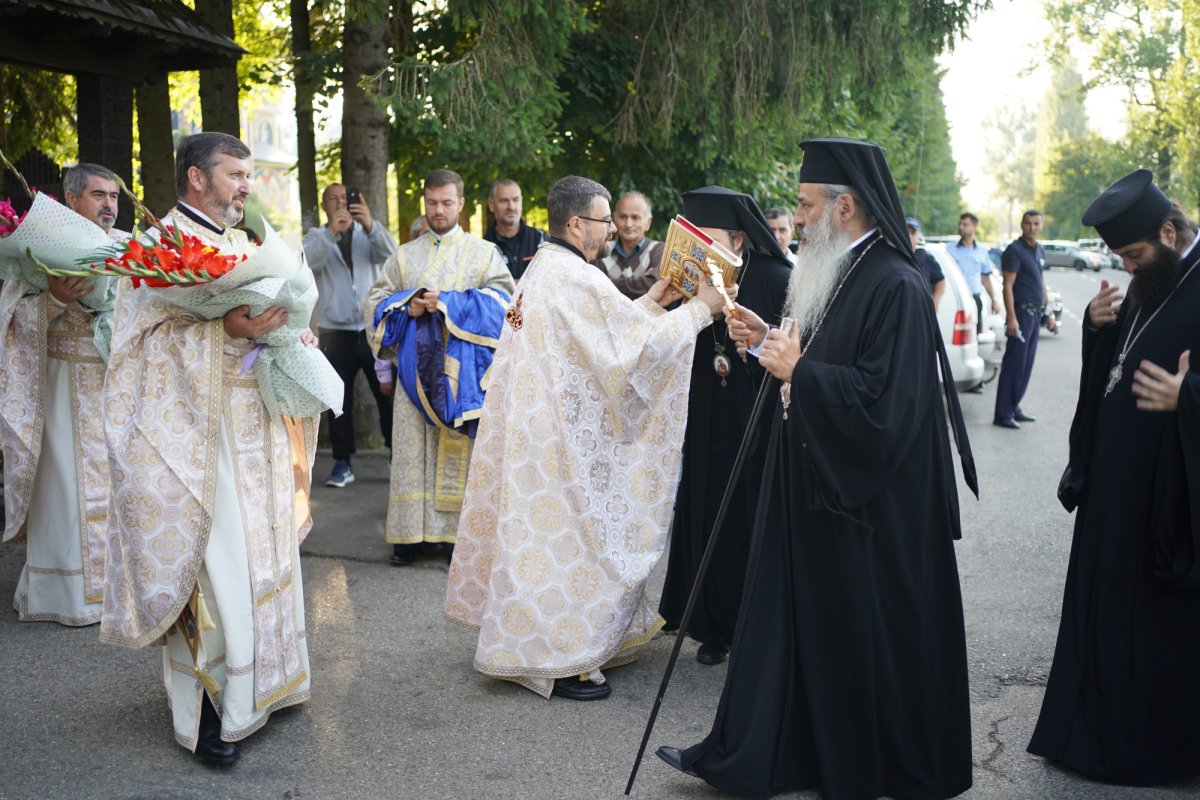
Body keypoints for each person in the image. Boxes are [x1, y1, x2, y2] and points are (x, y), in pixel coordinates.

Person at [657, 137, 977, 800]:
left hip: (869, 511)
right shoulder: (840, 269)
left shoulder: (895, 283)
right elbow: (816, 359)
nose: (795, 219)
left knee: (858, 639)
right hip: (823, 492)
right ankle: (778, 752)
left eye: (805, 206)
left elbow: (888, 404)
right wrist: (762, 341)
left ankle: (849, 762)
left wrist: (800, 372)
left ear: (845, 207)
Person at [444, 175, 733, 701]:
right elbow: (631, 355)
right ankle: (560, 659)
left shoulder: (542, 269)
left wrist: (651, 303)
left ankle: (536, 644)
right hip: (557, 443)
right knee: (568, 544)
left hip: (531, 435)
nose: (609, 230)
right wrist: (699, 310)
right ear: (577, 223)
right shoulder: (575, 278)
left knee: (537, 546)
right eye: (603, 220)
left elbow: (601, 339)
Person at [100, 132, 318, 766]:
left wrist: (290, 335)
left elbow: (273, 317)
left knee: (259, 558)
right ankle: (206, 709)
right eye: (235, 174)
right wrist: (224, 328)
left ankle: (265, 687)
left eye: (248, 175)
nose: (247, 185)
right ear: (197, 177)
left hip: (258, 428)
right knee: (212, 567)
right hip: (196, 440)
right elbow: (132, 349)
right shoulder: (155, 248)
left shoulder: (246, 245)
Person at [1028, 169, 1200, 785]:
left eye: (1133, 255)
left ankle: (1140, 750)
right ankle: (1087, 733)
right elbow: (1119, 367)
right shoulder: (1157, 278)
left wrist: (1189, 397)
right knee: (1103, 610)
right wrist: (1097, 328)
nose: (1127, 268)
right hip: (1115, 488)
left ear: (1168, 233)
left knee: (1148, 624)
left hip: (1165, 497)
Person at [657, 186, 791, 666]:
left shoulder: (777, 279)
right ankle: (710, 626)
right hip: (704, 417)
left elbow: (794, 352)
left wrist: (753, 349)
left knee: (749, 521)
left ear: (738, 240)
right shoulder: (686, 279)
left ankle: (752, 627)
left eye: (710, 240)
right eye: (694, 240)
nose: (703, 251)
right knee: (705, 512)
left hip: (756, 422)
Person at [366, 169, 516, 567]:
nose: (438, 210)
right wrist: (407, 305)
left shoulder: (484, 253)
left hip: (458, 375)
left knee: (455, 453)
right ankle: (408, 535)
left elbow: (506, 303)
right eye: (432, 203)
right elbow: (375, 304)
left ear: (461, 204)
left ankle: (452, 537)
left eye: (447, 203)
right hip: (412, 376)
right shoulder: (404, 255)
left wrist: (449, 303)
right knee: (410, 449)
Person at [0, 162, 122, 626]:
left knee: (117, 487)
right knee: (63, 486)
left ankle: (117, 595)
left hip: (111, 385)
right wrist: (55, 298)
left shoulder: (128, 246)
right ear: (71, 199)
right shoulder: (41, 245)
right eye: (98, 195)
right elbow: (11, 318)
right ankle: (66, 595)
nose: (109, 205)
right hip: (58, 385)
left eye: (113, 196)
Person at [303, 184, 397, 488]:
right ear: (324, 205)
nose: (341, 203)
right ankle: (342, 463)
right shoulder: (317, 236)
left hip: (371, 330)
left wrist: (370, 224)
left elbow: (393, 257)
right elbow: (305, 264)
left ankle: (397, 457)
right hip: (335, 332)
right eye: (334, 199)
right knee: (337, 400)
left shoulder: (368, 234)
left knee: (387, 395)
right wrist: (331, 232)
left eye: (346, 198)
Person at [993, 209, 1056, 429]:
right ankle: (1003, 413)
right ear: (1022, 225)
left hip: (1036, 314)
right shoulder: (1014, 250)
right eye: (1028, 223)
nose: (1032, 227)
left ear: (1041, 226)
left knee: (1025, 366)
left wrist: (1049, 313)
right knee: (1014, 365)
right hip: (1021, 315)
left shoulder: (1039, 249)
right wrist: (1011, 318)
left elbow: (1041, 280)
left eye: (1036, 223)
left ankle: (1014, 406)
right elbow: (1008, 286)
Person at [592, 191, 664, 299]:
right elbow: (594, 288)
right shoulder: (601, 249)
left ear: (648, 222)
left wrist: (607, 283)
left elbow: (656, 285)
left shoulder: (659, 250)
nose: (628, 224)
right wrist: (643, 282)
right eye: (623, 217)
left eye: (635, 217)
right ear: (615, 220)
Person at [948, 212, 1000, 334]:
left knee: (975, 334)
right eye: (960, 224)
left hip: (974, 298)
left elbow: (985, 278)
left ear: (974, 227)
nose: (961, 227)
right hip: (955, 298)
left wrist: (994, 300)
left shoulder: (982, 251)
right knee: (955, 334)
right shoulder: (949, 249)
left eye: (965, 224)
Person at [482, 179, 544, 280]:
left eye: (516, 200)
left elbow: (550, 280)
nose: (511, 207)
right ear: (491, 205)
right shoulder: (484, 246)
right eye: (504, 201)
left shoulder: (540, 239)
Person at [906, 216, 946, 311]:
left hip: (920, 310)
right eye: (907, 232)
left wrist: (935, 303)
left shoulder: (927, 258)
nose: (910, 236)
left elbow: (940, 281)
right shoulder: (893, 256)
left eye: (913, 233)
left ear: (918, 236)